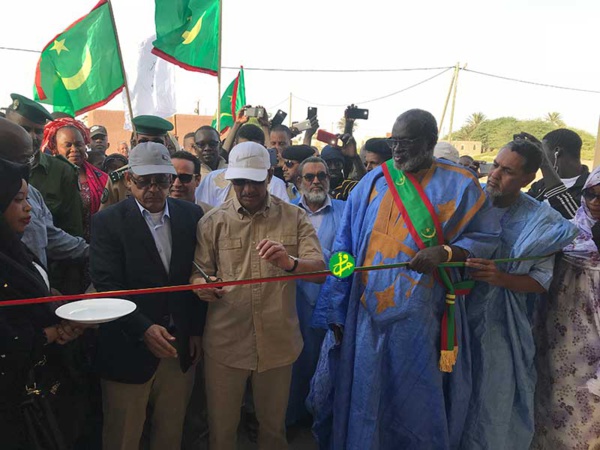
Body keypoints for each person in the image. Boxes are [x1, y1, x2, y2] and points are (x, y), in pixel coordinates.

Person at [308, 109, 501, 449]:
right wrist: (335, 307)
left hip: (425, 319)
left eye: (406, 142)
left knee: (416, 401)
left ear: (430, 141)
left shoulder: (461, 185)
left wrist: (445, 253)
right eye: (394, 142)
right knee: (366, 394)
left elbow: (485, 239)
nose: (397, 151)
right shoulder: (372, 182)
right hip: (365, 317)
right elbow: (343, 249)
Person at [192, 142, 325, 450]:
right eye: (240, 182)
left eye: (254, 180)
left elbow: (320, 271)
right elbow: (197, 273)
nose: (247, 189)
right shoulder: (212, 223)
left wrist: (289, 262)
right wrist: (202, 285)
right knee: (222, 431)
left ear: (269, 175)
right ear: (230, 180)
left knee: (273, 430)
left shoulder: (294, 218)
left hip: (277, 345)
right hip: (226, 346)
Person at [460, 139, 577, 449]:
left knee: (493, 399)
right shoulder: (468, 205)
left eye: (508, 171)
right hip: (454, 317)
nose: (495, 175)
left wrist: (502, 278)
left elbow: (541, 281)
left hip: (502, 327)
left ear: (528, 178)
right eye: (495, 166)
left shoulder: (542, 222)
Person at [90, 142, 206, 450]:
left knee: (170, 432)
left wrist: (194, 330)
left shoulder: (191, 215)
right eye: (144, 181)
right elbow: (106, 284)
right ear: (128, 180)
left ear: (171, 180)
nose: (152, 188)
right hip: (127, 348)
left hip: (178, 347)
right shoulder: (107, 222)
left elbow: (193, 277)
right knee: (123, 435)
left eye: (161, 180)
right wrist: (142, 327)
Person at [0, 157, 84, 449]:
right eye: (17, 199)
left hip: (40, 383)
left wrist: (60, 311)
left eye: (28, 198)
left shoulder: (14, 246)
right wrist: (52, 333)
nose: (29, 208)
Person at [532, 165, 600, 450]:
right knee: (550, 398)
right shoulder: (568, 230)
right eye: (591, 195)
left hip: (593, 344)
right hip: (557, 336)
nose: (595, 203)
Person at [287, 156, 345, 427]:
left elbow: (352, 258)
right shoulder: (284, 212)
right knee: (292, 366)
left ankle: (323, 424)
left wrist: (334, 271)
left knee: (327, 365)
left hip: (331, 302)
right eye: (308, 177)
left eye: (321, 175)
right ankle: (291, 420)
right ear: (298, 182)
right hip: (292, 301)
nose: (315, 181)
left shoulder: (346, 212)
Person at [0, 118, 88, 272]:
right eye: (20, 160)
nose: (27, 207)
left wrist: (91, 251)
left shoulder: (32, 192)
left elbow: (50, 236)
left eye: (29, 159)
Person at [6, 93, 84, 237]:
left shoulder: (62, 171)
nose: (32, 137)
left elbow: (72, 230)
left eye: (38, 131)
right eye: (24, 129)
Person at [42, 118, 108, 242]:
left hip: (96, 246)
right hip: (58, 249)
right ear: (55, 148)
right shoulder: (46, 176)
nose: (74, 149)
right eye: (68, 145)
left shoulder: (102, 178)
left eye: (78, 144)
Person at [99, 115, 174, 211]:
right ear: (135, 143)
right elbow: (105, 219)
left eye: (157, 142)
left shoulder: (179, 175)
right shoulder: (119, 179)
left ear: (166, 143)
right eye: (144, 142)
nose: (149, 147)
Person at [527, 128, 588, 218]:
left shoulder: (590, 187)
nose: (539, 155)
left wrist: (545, 164)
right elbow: (520, 205)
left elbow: (577, 220)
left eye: (543, 151)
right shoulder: (541, 185)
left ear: (557, 151)